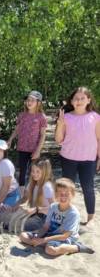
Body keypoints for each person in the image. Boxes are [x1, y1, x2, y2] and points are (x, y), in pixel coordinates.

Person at [55, 87, 100, 226]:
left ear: (88, 100)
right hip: (68, 157)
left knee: (88, 188)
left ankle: (90, 218)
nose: (79, 101)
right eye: (76, 98)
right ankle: (64, 215)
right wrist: (60, 124)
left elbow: (99, 138)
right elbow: (58, 140)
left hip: (89, 159)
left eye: (82, 98)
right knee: (66, 188)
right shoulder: (66, 117)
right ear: (72, 101)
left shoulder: (95, 117)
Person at [19, 178, 94, 256]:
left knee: (50, 250)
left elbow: (65, 235)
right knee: (23, 236)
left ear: (72, 195)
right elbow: (45, 227)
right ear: (55, 195)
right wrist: (38, 237)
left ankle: (77, 247)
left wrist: (43, 240)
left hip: (65, 237)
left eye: (67, 194)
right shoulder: (53, 206)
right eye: (60, 193)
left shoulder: (73, 213)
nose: (63, 196)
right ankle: (45, 244)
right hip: (50, 234)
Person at [7, 90, 47, 188]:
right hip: (22, 148)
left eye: (32, 100)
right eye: (28, 100)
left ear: (38, 103)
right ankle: (22, 191)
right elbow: (17, 129)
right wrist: (10, 139)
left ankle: (35, 191)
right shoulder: (22, 115)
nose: (29, 102)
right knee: (22, 170)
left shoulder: (41, 117)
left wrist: (38, 150)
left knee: (35, 171)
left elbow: (43, 135)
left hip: (34, 149)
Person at [16, 159, 55, 231]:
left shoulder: (47, 186)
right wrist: (16, 206)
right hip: (34, 214)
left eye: (38, 171)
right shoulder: (32, 183)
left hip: (44, 217)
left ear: (45, 173)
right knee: (12, 218)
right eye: (33, 171)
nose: (34, 174)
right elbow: (25, 198)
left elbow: (54, 208)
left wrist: (37, 209)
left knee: (20, 224)